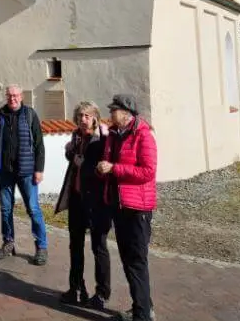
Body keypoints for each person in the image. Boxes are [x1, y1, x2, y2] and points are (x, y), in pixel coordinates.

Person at [97, 94, 157, 321]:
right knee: (128, 260)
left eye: (114, 110)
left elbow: (148, 171)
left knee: (137, 260)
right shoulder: (114, 135)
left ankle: (142, 315)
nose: (110, 114)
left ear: (125, 112)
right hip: (118, 204)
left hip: (138, 208)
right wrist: (102, 169)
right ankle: (143, 305)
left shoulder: (143, 135)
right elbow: (109, 164)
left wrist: (114, 168)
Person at [54, 101, 111, 309]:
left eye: (86, 116)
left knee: (99, 247)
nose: (82, 120)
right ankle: (76, 288)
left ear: (95, 117)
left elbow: (99, 168)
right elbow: (74, 158)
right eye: (79, 116)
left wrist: (81, 162)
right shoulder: (77, 136)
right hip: (78, 198)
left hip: (97, 201)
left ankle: (102, 293)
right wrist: (70, 153)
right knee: (75, 245)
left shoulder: (103, 138)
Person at [0, 84, 48, 265]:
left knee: (33, 209)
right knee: (6, 209)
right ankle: (8, 242)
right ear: (6, 97)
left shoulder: (30, 115)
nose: (12, 99)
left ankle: (41, 247)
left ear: (21, 96)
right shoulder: (0, 115)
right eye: (9, 96)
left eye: (15, 96)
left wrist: (39, 169)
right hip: (6, 172)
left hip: (27, 172)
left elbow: (39, 144)